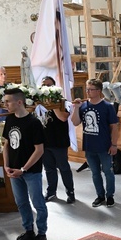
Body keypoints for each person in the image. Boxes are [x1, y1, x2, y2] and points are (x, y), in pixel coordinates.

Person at [1, 87, 48, 240]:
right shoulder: (9, 119)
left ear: (19, 102)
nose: (4, 104)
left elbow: (39, 150)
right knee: (21, 202)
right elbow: (6, 144)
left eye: (7, 101)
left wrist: (23, 168)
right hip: (14, 170)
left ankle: (41, 233)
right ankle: (28, 231)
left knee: (37, 203)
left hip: (31, 171)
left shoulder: (33, 123)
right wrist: (6, 165)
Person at [71, 79, 119, 208]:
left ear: (98, 91)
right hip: (89, 145)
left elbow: (114, 127)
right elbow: (75, 122)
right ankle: (100, 195)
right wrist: (76, 108)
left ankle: (110, 196)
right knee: (95, 172)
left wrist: (114, 144)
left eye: (90, 89)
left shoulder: (107, 106)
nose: (87, 91)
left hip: (104, 145)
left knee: (108, 171)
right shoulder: (84, 106)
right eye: (87, 89)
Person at [40, 76, 75, 204]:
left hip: (59, 141)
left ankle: (70, 192)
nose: (46, 88)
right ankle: (51, 192)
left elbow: (63, 118)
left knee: (63, 168)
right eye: (44, 85)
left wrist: (53, 103)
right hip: (45, 141)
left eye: (49, 85)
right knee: (49, 169)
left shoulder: (62, 102)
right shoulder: (40, 102)